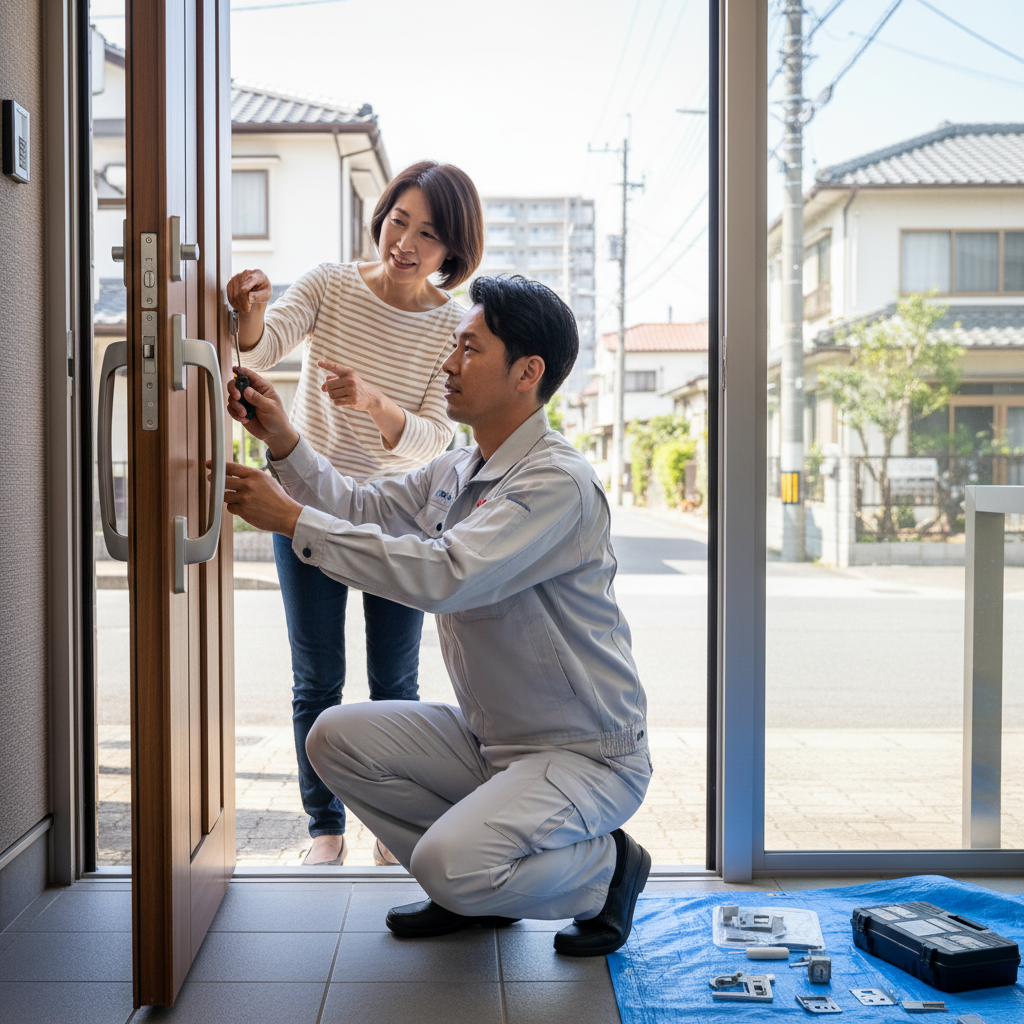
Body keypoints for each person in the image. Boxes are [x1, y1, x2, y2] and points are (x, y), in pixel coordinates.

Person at [218, 274, 652, 956]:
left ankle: (609, 869)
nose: (449, 364)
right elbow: (360, 506)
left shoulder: (555, 481)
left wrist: (292, 519)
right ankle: (479, 892)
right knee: (332, 738)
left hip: (584, 756)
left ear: (527, 373)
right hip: (493, 744)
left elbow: (447, 576)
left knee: (447, 865)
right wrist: (283, 440)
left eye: (469, 349)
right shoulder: (457, 468)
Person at [225, 161, 483, 866]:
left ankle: (392, 825)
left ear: (452, 250)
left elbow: (437, 437)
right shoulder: (330, 284)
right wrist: (250, 309)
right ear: (382, 217)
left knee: (394, 685)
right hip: (303, 505)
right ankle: (325, 828)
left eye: (428, 234)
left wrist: (373, 402)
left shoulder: (452, 325)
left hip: (397, 523)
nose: (406, 243)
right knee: (316, 679)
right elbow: (259, 344)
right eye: (399, 221)